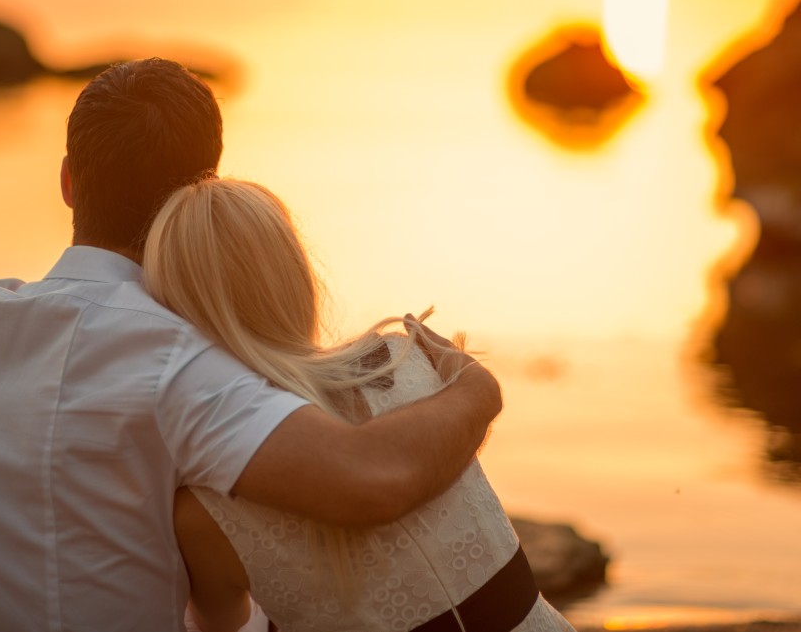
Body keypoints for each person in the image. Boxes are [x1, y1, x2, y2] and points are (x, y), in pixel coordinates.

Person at [0, 58, 502, 632]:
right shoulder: (175, 361)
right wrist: (478, 388)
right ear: (204, 194)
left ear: (68, 182)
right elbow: (371, 478)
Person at [142, 176, 575, 632]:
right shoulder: (409, 359)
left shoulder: (202, 514)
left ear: (174, 313)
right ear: (297, 275)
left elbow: (222, 627)